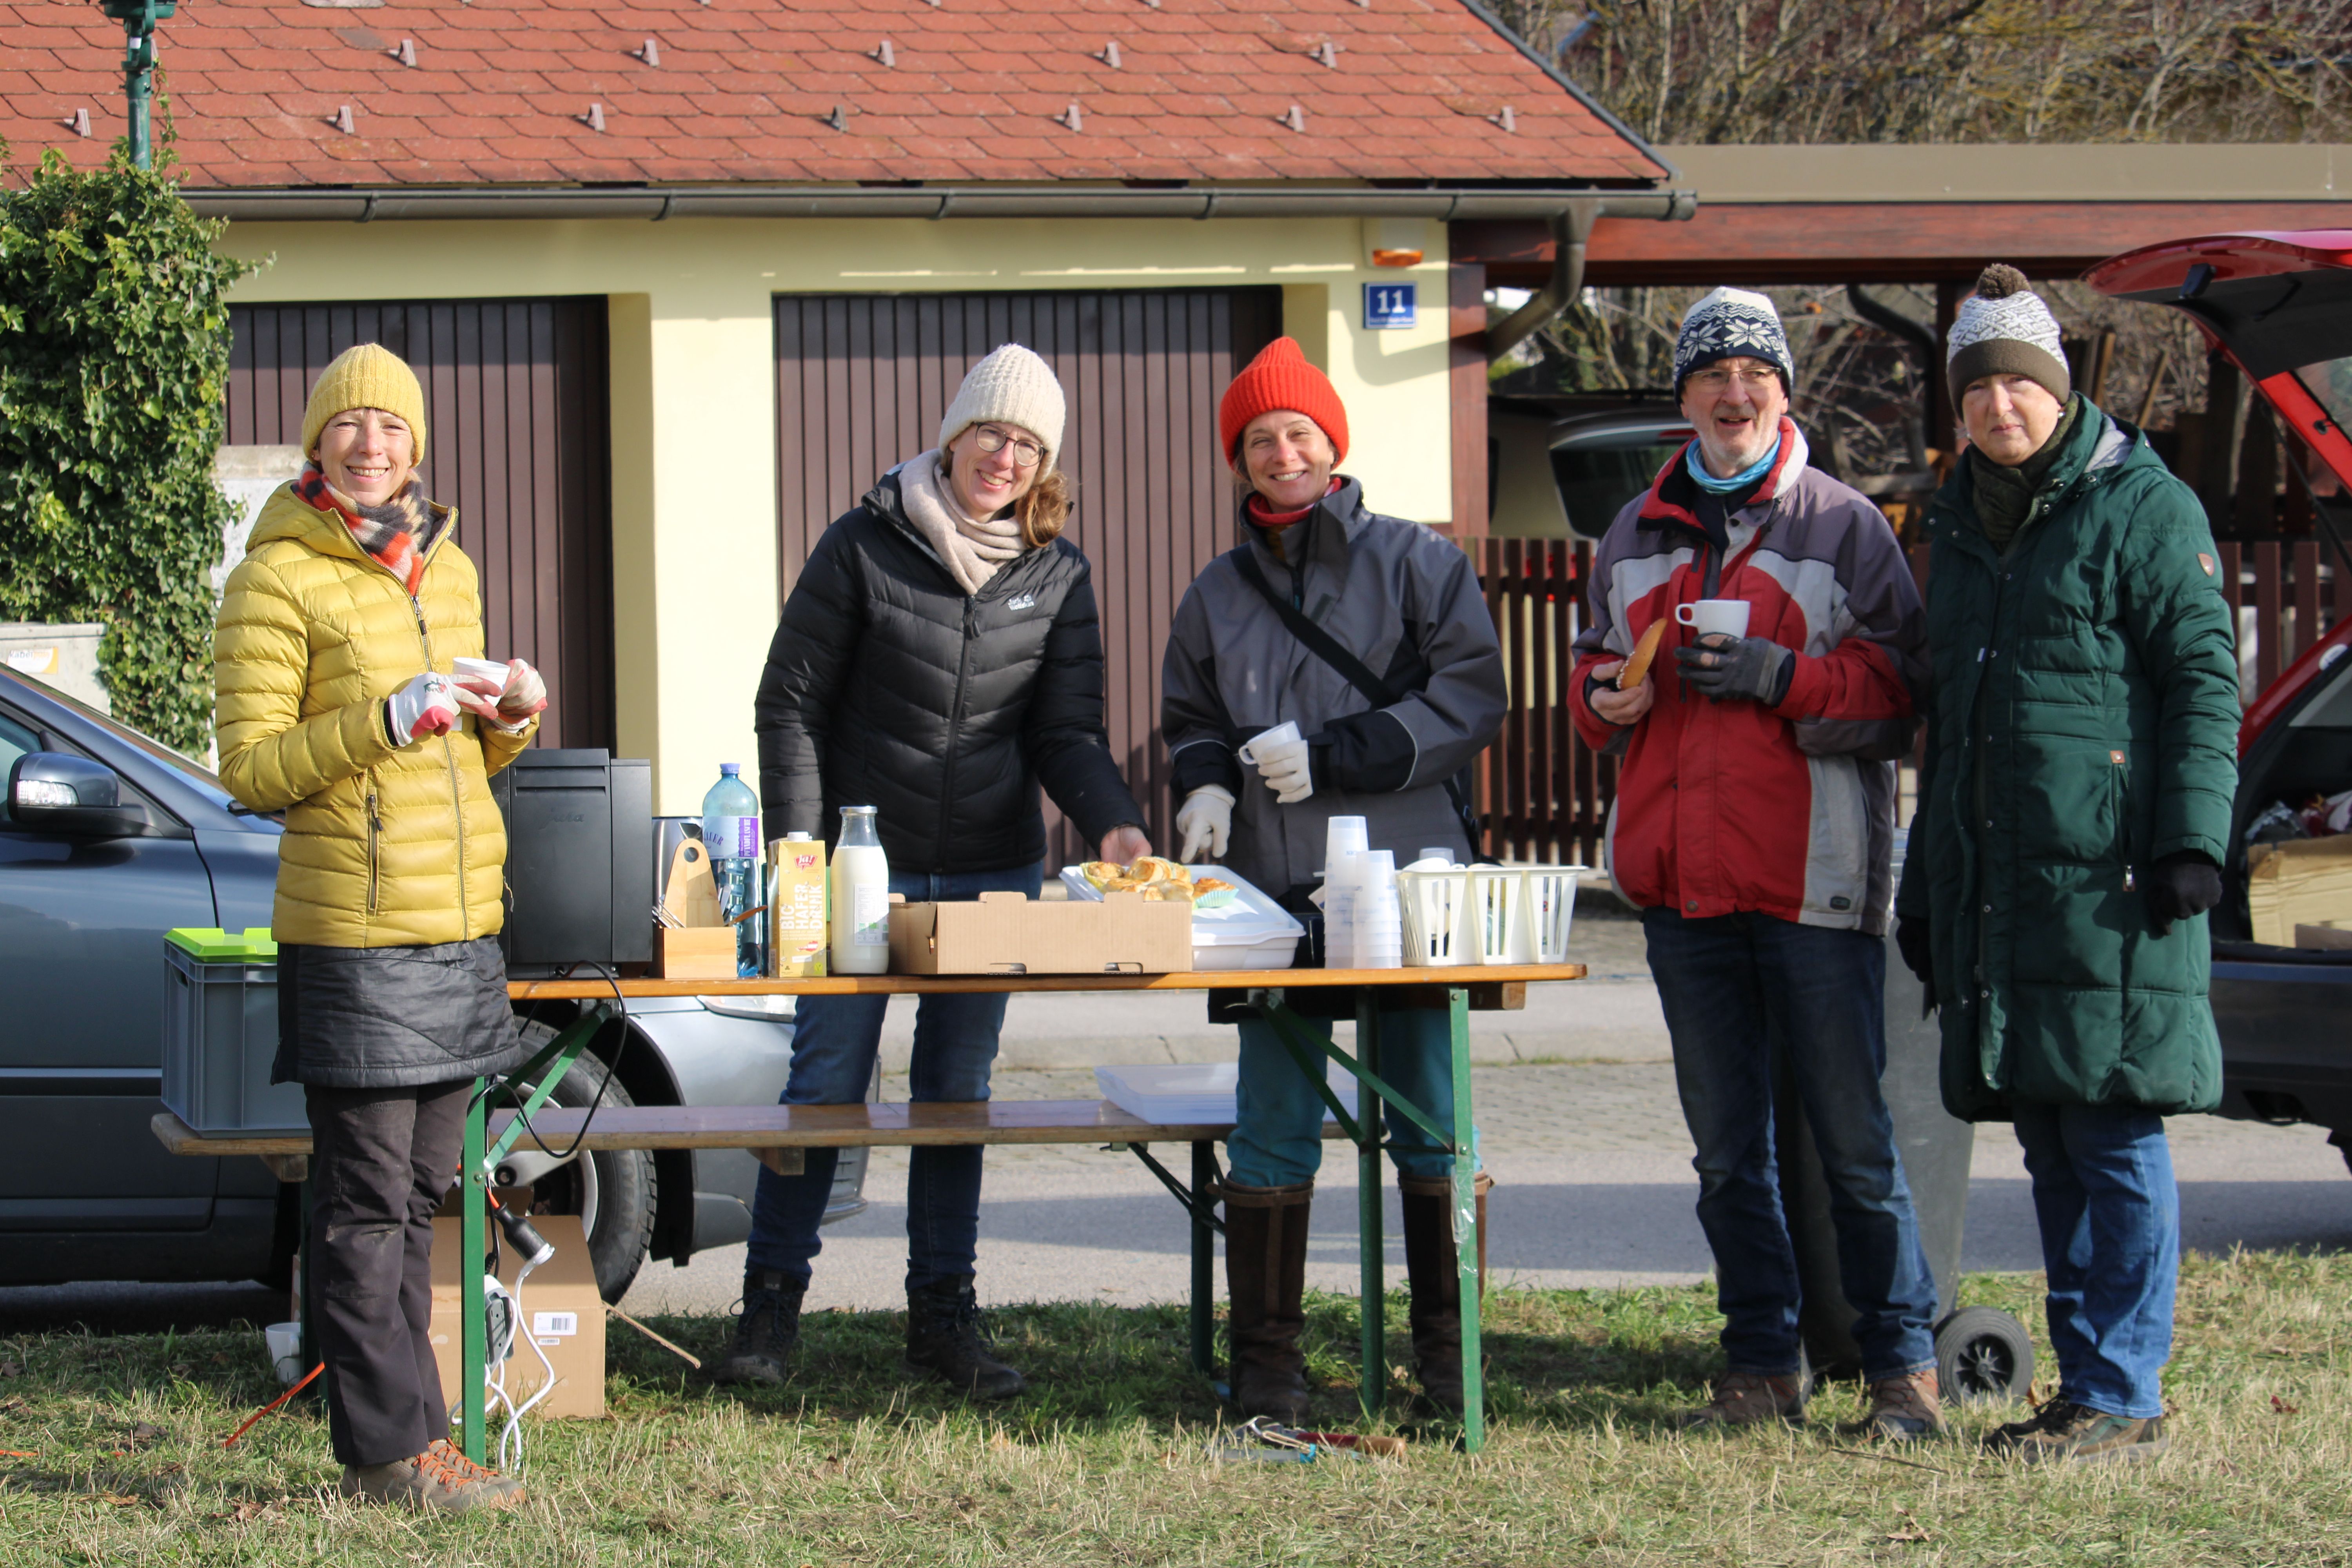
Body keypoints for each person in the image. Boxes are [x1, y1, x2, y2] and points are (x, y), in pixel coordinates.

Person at [718, 344, 1152, 1397]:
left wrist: (1116, 826)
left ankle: (943, 1318)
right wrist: (804, 856)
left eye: (1027, 444)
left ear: (1044, 462)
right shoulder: (865, 543)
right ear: (955, 433)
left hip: (994, 871)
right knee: (824, 1085)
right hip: (865, 868)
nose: (1004, 457)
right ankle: (769, 1313)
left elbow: (1067, 733)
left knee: (957, 1094)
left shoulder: (1059, 571)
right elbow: (793, 705)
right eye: (991, 433)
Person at [1566, 288, 1944, 1438]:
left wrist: (1787, 679)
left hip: (1815, 882)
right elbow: (1592, 684)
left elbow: (1902, 693)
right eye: (1713, 377)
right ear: (1684, 397)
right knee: (1729, 1153)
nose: (1735, 395)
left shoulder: (1844, 525)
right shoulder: (1631, 532)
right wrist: (1603, 698)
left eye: (1755, 376)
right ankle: (1759, 1360)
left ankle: (1900, 1368)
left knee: (1854, 1147)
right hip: (1683, 890)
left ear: (1785, 392)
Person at [1897, 265, 2237, 1465]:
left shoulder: (2144, 507)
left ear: (2058, 390)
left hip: (2114, 883)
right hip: (2003, 890)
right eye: (1977, 389)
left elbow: (2204, 680)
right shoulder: (1959, 520)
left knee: (2114, 1137)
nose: (1999, 408)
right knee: (2046, 1134)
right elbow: (1953, 734)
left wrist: (2194, 841)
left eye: (2017, 386)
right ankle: (2087, 1388)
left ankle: (2127, 1391)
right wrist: (1923, 897)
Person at [215, 343, 549, 1512]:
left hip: (458, 931)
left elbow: (460, 756)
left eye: (393, 428)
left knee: (421, 1200)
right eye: (350, 426)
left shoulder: (443, 568)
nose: (373, 446)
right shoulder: (275, 580)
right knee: (363, 1207)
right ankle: (389, 1455)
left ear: (418, 445)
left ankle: (420, 1441)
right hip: (353, 934)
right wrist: (387, 715)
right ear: (318, 443)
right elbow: (252, 771)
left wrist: (508, 717)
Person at [1161, 337, 1507, 1420]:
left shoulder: (1419, 562)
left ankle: (1451, 1375)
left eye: (1298, 432)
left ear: (1333, 444)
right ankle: (1270, 1373)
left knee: (1430, 1118)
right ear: (1239, 459)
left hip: (1407, 886)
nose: (1280, 452)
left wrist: (1335, 756)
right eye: (1258, 439)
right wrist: (1205, 784)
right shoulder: (1214, 592)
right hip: (1268, 895)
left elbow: (1471, 699)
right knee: (1273, 1117)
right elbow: (1193, 717)